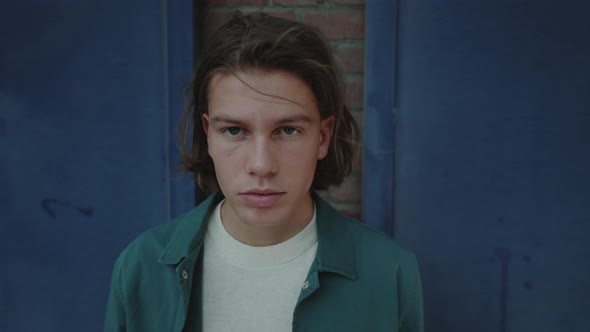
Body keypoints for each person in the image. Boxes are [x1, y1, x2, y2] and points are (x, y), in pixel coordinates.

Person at [104, 11, 423, 332]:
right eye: (233, 130)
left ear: (323, 138)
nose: (261, 165)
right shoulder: (141, 268)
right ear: (208, 134)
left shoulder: (389, 272)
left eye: (288, 131)